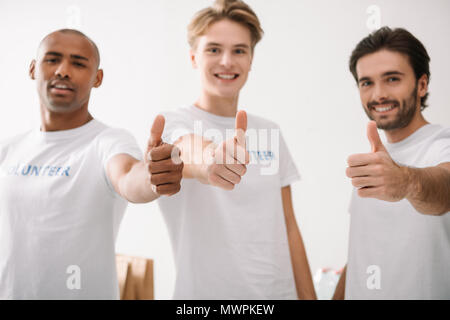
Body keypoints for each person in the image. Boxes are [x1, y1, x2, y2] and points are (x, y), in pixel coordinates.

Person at [0, 29, 183, 299]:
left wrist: (152, 176)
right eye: (52, 59)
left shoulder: (108, 142)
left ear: (97, 78)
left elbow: (129, 177)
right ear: (32, 69)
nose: (63, 71)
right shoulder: (9, 150)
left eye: (78, 63)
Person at [158, 0, 316, 299]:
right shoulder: (172, 124)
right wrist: (210, 157)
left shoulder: (269, 132)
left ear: (251, 59)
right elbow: (185, 148)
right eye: (214, 49)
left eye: (239, 50)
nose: (227, 61)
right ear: (194, 57)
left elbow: (288, 226)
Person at [333, 27, 450, 300]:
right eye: (366, 82)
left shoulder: (442, 146)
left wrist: (407, 182)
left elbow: (444, 189)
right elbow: (361, 253)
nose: (378, 94)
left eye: (392, 79)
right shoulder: (375, 159)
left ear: (422, 84)